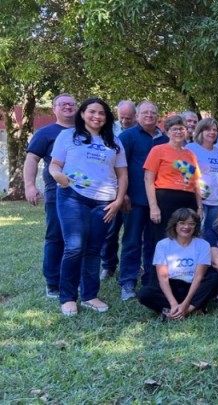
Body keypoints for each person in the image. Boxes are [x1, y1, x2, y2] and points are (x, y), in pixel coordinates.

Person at [49, 97, 128, 315]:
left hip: (104, 201)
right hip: (72, 197)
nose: (97, 116)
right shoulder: (68, 136)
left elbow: (122, 175)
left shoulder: (114, 141)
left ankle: (90, 296)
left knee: (94, 250)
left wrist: (119, 200)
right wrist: (59, 176)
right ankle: (67, 297)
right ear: (82, 114)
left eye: (101, 113)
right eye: (92, 112)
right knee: (74, 247)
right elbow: (55, 165)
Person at [24, 93, 77, 298]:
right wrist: (29, 186)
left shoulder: (86, 131)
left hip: (85, 194)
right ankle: (53, 282)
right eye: (62, 104)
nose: (67, 107)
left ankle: (74, 279)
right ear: (54, 108)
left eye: (71, 104)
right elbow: (31, 159)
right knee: (56, 236)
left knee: (79, 239)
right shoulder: (46, 133)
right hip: (57, 192)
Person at [115, 100, 168, 299]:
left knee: (154, 243)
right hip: (134, 200)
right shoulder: (127, 136)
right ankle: (128, 282)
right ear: (137, 116)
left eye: (153, 112)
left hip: (159, 201)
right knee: (131, 240)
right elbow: (118, 168)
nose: (149, 115)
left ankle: (150, 281)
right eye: (144, 112)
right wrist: (123, 194)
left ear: (158, 116)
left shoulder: (164, 138)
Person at [137, 208, 218, 319]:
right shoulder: (163, 244)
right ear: (175, 225)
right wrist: (173, 303)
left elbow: (199, 277)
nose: (186, 227)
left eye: (191, 224)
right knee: (144, 294)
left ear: (196, 226)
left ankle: (186, 311)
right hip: (171, 286)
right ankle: (185, 308)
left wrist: (186, 305)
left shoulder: (203, 244)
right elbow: (162, 278)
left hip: (192, 286)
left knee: (216, 279)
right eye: (182, 223)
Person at [144, 115, 203, 249]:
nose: (178, 132)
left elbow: (196, 183)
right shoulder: (158, 150)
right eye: (174, 129)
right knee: (163, 239)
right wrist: (153, 206)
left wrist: (200, 207)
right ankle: (160, 269)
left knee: (186, 239)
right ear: (167, 131)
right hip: (165, 201)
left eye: (181, 129)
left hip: (188, 201)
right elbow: (148, 179)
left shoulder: (191, 154)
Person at [102, 99, 138, 281]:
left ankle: (133, 267)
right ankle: (108, 266)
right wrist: (119, 193)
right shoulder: (108, 131)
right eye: (122, 117)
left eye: (129, 118)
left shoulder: (142, 133)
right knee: (110, 232)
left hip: (137, 194)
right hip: (112, 191)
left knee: (133, 235)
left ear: (136, 116)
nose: (125, 121)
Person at [187, 118, 218, 233]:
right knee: (197, 234)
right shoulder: (191, 149)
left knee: (212, 235)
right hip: (200, 202)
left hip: (217, 203)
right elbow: (190, 178)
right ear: (200, 131)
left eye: (215, 130)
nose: (212, 132)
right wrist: (199, 206)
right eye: (208, 129)